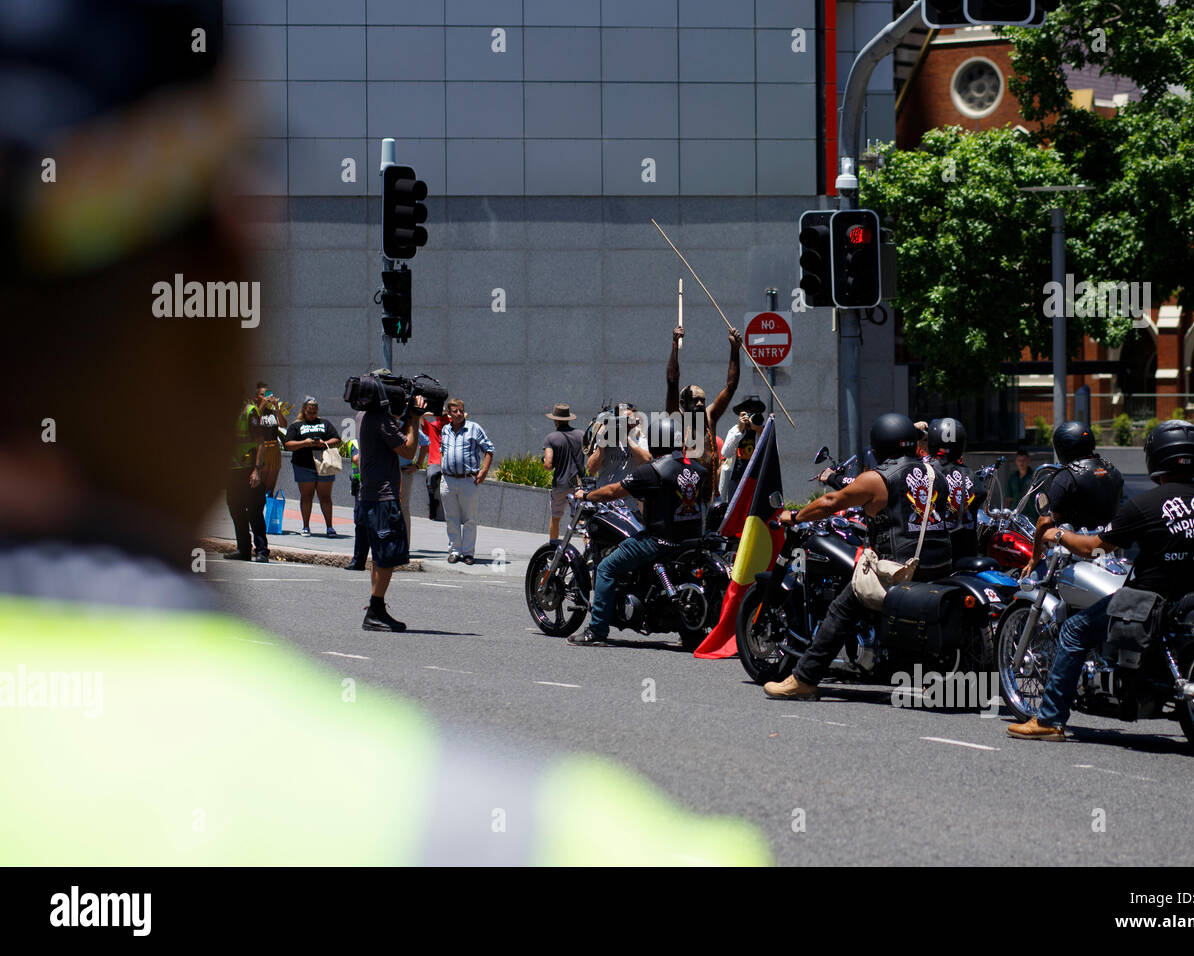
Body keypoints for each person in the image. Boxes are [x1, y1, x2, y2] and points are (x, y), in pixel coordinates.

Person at [0, 0, 768, 867]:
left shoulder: (687, 437)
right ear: (219, 280)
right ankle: (406, 608)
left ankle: (389, 604)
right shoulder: (550, 839)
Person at [1008, 420, 1194, 740]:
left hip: (1151, 598)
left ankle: (1049, 720)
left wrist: (1058, 534)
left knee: (1073, 630)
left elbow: (1093, 547)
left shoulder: (1149, 504)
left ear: (1156, 455)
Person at [763, 413, 952, 700]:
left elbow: (831, 501)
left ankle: (805, 678)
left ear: (879, 446)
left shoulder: (878, 478)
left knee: (844, 606)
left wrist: (795, 515)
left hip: (899, 568)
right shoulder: (934, 474)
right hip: (938, 564)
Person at [567, 418, 710, 647]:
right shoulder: (697, 470)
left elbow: (613, 491)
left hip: (657, 542)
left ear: (653, 443)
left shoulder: (653, 471)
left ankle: (596, 631)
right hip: (689, 543)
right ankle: (688, 631)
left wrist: (586, 495)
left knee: (606, 568)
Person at [357, 384, 427, 631]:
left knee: (379, 556)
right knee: (388, 557)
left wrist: (405, 416)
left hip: (370, 497)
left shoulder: (365, 416)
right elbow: (408, 450)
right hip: (382, 499)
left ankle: (377, 607)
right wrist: (415, 420)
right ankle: (375, 610)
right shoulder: (381, 421)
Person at [1029, 422, 1124, 566]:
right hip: (1110, 552)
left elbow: (1045, 522)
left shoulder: (1065, 477)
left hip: (1075, 556)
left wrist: (1033, 558)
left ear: (1062, 448)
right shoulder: (1114, 472)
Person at [665, 325, 742, 501]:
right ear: (683, 403)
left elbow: (731, 387)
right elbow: (672, 381)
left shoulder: (710, 417)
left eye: (703, 400)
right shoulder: (677, 418)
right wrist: (675, 343)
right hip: (683, 498)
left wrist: (735, 349)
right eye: (695, 400)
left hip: (709, 497)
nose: (700, 403)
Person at [439, 398, 495, 565]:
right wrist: (443, 468)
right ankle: (455, 551)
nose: (458, 414)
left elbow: (489, 449)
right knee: (451, 518)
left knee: (470, 519)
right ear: (449, 413)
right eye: (455, 411)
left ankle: (468, 553)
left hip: (468, 480)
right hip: (448, 480)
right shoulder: (445, 430)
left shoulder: (474, 428)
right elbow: (443, 450)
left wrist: (484, 471)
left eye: (461, 410)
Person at [282, 397, 342, 537]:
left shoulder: (325, 423)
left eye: (315, 412)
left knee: (325, 497)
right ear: (304, 410)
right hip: (303, 465)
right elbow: (288, 445)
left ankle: (330, 527)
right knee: (306, 496)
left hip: (324, 465)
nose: (312, 414)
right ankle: (306, 526)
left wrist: (323, 443)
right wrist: (305, 443)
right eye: (310, 411)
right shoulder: (296, 426)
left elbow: (337, 439)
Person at [929, 417, 982, 561]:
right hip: (967, 554)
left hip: (938, 555)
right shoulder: (971, 475)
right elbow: (982, 493)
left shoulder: (927, 472)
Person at [226, 392, 270, 563]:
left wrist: (257, 470)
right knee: (236, 510)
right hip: (232, 470)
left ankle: (262, 551)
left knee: (254, 511)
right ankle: (243, 549)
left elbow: (261, 442)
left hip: (249, 470)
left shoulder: (249, 412)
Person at [585, 403, 650, 502]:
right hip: (606, 499)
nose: (625, 423)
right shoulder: (607, 436)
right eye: (621, 419)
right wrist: (601, 446)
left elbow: (647, 461)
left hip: (631, 502)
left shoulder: (640, 437)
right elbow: (591, 470)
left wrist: (628, 437)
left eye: (629, 420)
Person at [542, 402, 585, 539]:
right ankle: (589, 554)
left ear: (555, 420)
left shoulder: (551, 438)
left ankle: (553, 551)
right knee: (582, 520)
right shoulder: (581, 435)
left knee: (555, 519)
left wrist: (544, 461)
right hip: (578, 484)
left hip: (560, 484)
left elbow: (548, 465)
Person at [719, 395, 765, 502]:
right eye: (749, 411)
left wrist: (759, 431)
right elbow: (725, 453)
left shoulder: (764, 431)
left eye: (755, 411)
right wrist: (740, 430)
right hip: (737, 480)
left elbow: (770, 453)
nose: (752, 415)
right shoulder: (736, 430)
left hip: (756, 481)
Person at [253, 382, 288, 494]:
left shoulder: (273, 412)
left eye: (267, 394)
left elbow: (283, 424)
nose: (266, 397)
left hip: (274, 450)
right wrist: (262, 405)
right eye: (262, 395)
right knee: (259, 486)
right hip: (261, 450)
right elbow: (254, 423)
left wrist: (277, 407)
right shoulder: (254, 412)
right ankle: (257, 510)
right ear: (256, 397)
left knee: (270, 487)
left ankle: (269, 510)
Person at [399, 423, 430, 548]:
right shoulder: (385, 422)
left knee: (403, 508)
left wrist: (418, 465)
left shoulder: (408, 425)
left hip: (403, 471)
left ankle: (404, 546)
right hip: (386, 471)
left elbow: (425, 442)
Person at [340, 433, 368, 571]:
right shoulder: (355, 443)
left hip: (378, 488)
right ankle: (358, 560)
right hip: (361, 489)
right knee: (361, 524)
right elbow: (356, 459)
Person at [422, 408, 452, 522]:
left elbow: (465, 415)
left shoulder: (451, 425)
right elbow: (420, 418)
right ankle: (432, 503)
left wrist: (447, 413)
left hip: (448, 461)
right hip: (434, 461)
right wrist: (433, 412)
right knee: (430, 477)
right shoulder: (432, 426)